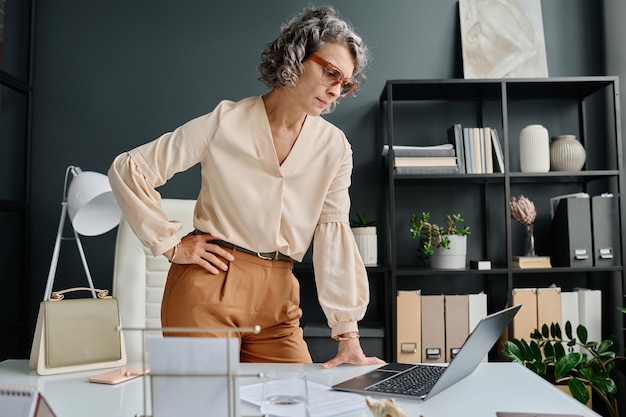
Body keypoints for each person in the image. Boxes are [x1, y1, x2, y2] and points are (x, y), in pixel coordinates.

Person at [108, 5, 384, 369]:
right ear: (297, 57)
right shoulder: (226, 121)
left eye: (345, 84)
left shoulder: (334, 147)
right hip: (208, 286)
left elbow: (333, 233)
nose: (336, 90)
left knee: (295, 403)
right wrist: (170, 245)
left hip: (280, 299)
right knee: (200, 406)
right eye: (331, 73)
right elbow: (129, 169)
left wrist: (348, 336)